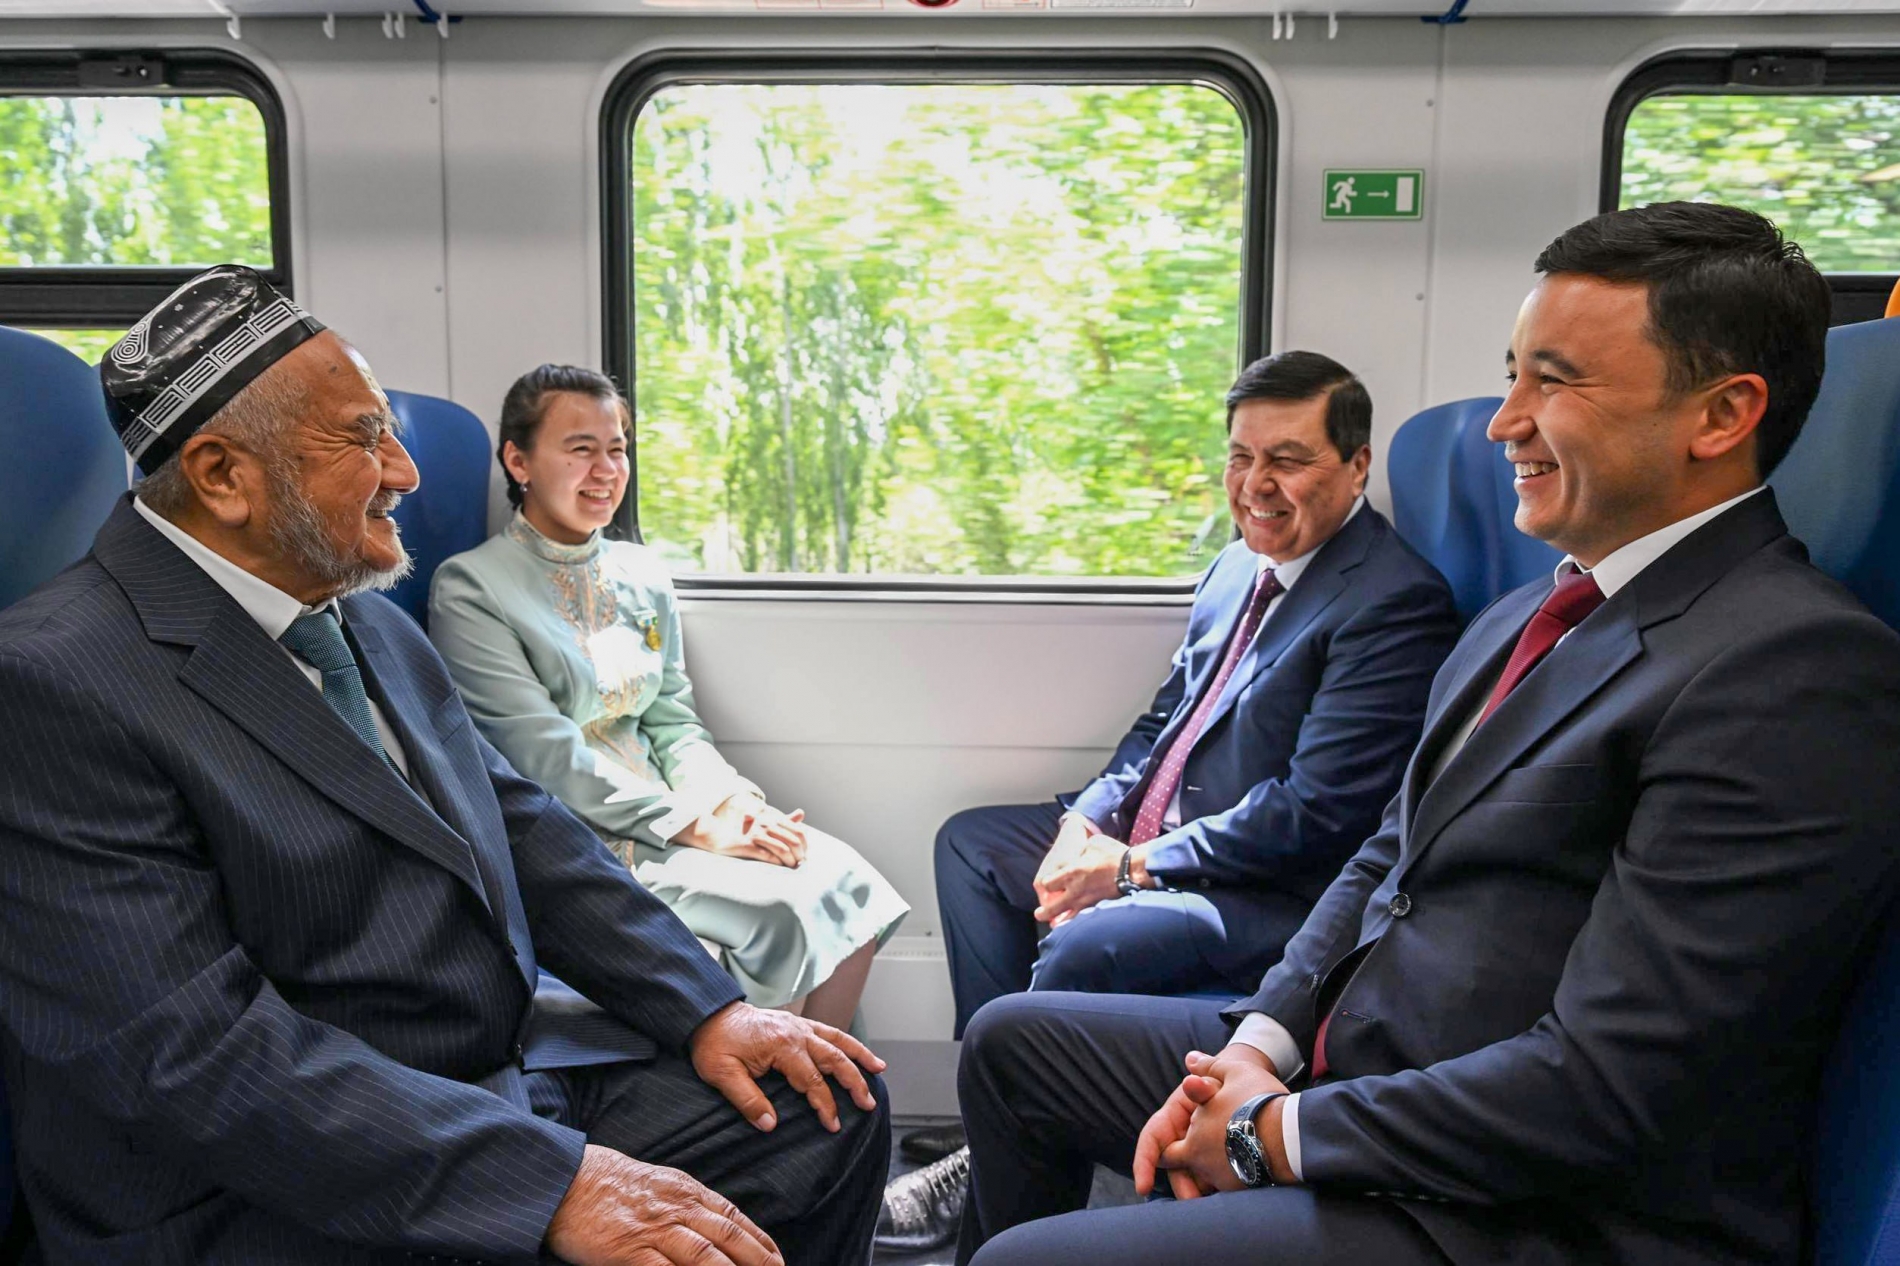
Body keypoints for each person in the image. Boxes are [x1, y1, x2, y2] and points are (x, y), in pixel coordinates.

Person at [950, 202, 1900, 1266]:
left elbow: (1610, 1088)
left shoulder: (1794, 669)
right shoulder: (1523, 618)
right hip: (1363, 1063)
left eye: (1555, 383)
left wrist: (1270, 1137)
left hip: (1531, 1208)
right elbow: (1385, 855)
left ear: (1720, 415)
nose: (1504, 423)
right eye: (1512, 377)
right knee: (1011, 1045)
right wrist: (1258, 1047)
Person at [0, 266, 889, 1266]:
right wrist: (548, 1184)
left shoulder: (365, 623)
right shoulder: (53, 683)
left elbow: (521, 830)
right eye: (363, 439)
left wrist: (707, 1008)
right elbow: (191, 1058)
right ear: (222, 477)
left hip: (483, 1084)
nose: (407, 474)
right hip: (269, 1181)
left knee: (823, 1108)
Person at [879, 351, 1460, 1251]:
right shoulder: (1236, 567)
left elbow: (1316, 812)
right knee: (975, 849)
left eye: (1288, 460)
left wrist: (1130, 868)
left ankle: (1008, 1158)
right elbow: (1166, 721)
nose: (1255, 485)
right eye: (1241, 457)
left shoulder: (1392, 601)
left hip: (1267, 888)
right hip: (1166, 834)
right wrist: (1087, 822)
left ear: (1356, 466)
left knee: (1087, 942)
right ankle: (990, 1127)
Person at [428, 365, 908, 1032]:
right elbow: (545, 758)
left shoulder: (642, 574)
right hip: (574, 835)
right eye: (581, 449)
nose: (606, 471)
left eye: (617, 448)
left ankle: (833, 1087)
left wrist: (734, 804)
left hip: (676, 811)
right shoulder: (471, 589)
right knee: (784, 907)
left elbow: (673, 723)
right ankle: (773, 1086)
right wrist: (698, 827)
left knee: (845, 876)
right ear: (518, 461)